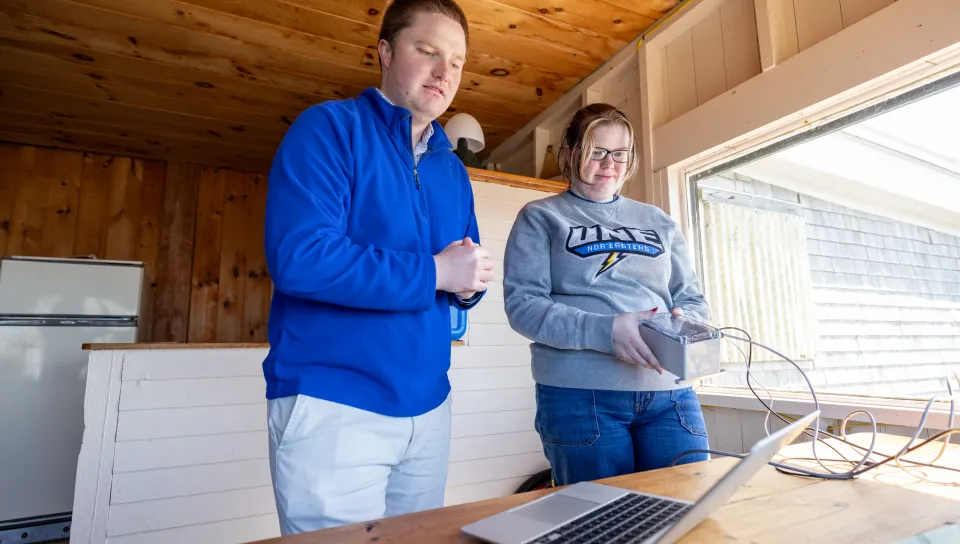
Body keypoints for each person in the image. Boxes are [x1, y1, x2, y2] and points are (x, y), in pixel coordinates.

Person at [261, 0, 493, 534]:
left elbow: (464, 268)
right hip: (333, 406)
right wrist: (436, 274)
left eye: (456, 61)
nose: (444, 72)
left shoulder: (452, 170)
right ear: (385, 52)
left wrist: (468, 284)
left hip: (431, 407)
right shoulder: (327, 128)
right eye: (428, 51)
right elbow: (301, 259)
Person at [502, 103, 711, 487]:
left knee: (688, 508)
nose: (609, 164)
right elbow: (524, 307)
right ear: (569, 152)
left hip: (670, 395)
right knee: (600, 525)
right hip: (580, 396)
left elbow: (692, 298)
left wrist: (684, 326)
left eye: (620, 154)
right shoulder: (540, 216)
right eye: (595, 152)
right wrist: (607, 331)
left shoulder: (659, 222)